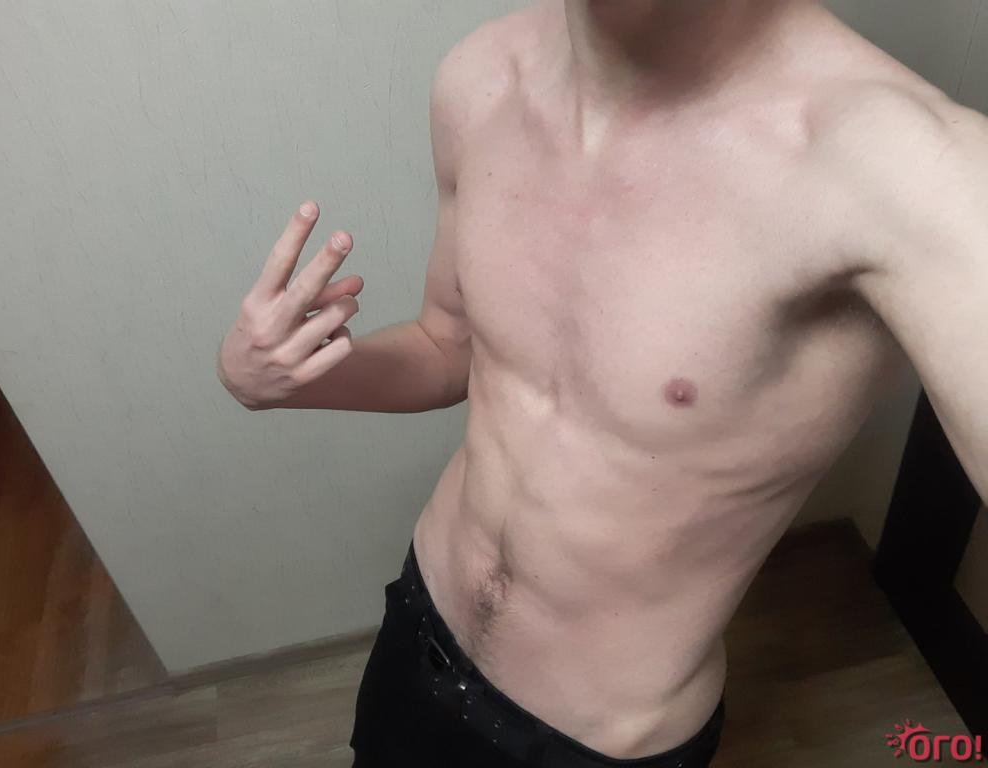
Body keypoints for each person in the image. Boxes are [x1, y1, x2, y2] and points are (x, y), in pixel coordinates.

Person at [216, 0, 988, 765]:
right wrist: (285, 379)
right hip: (422, 626)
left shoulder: (914, 175)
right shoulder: (481, 78)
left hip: (595, 744)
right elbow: (445, 346)